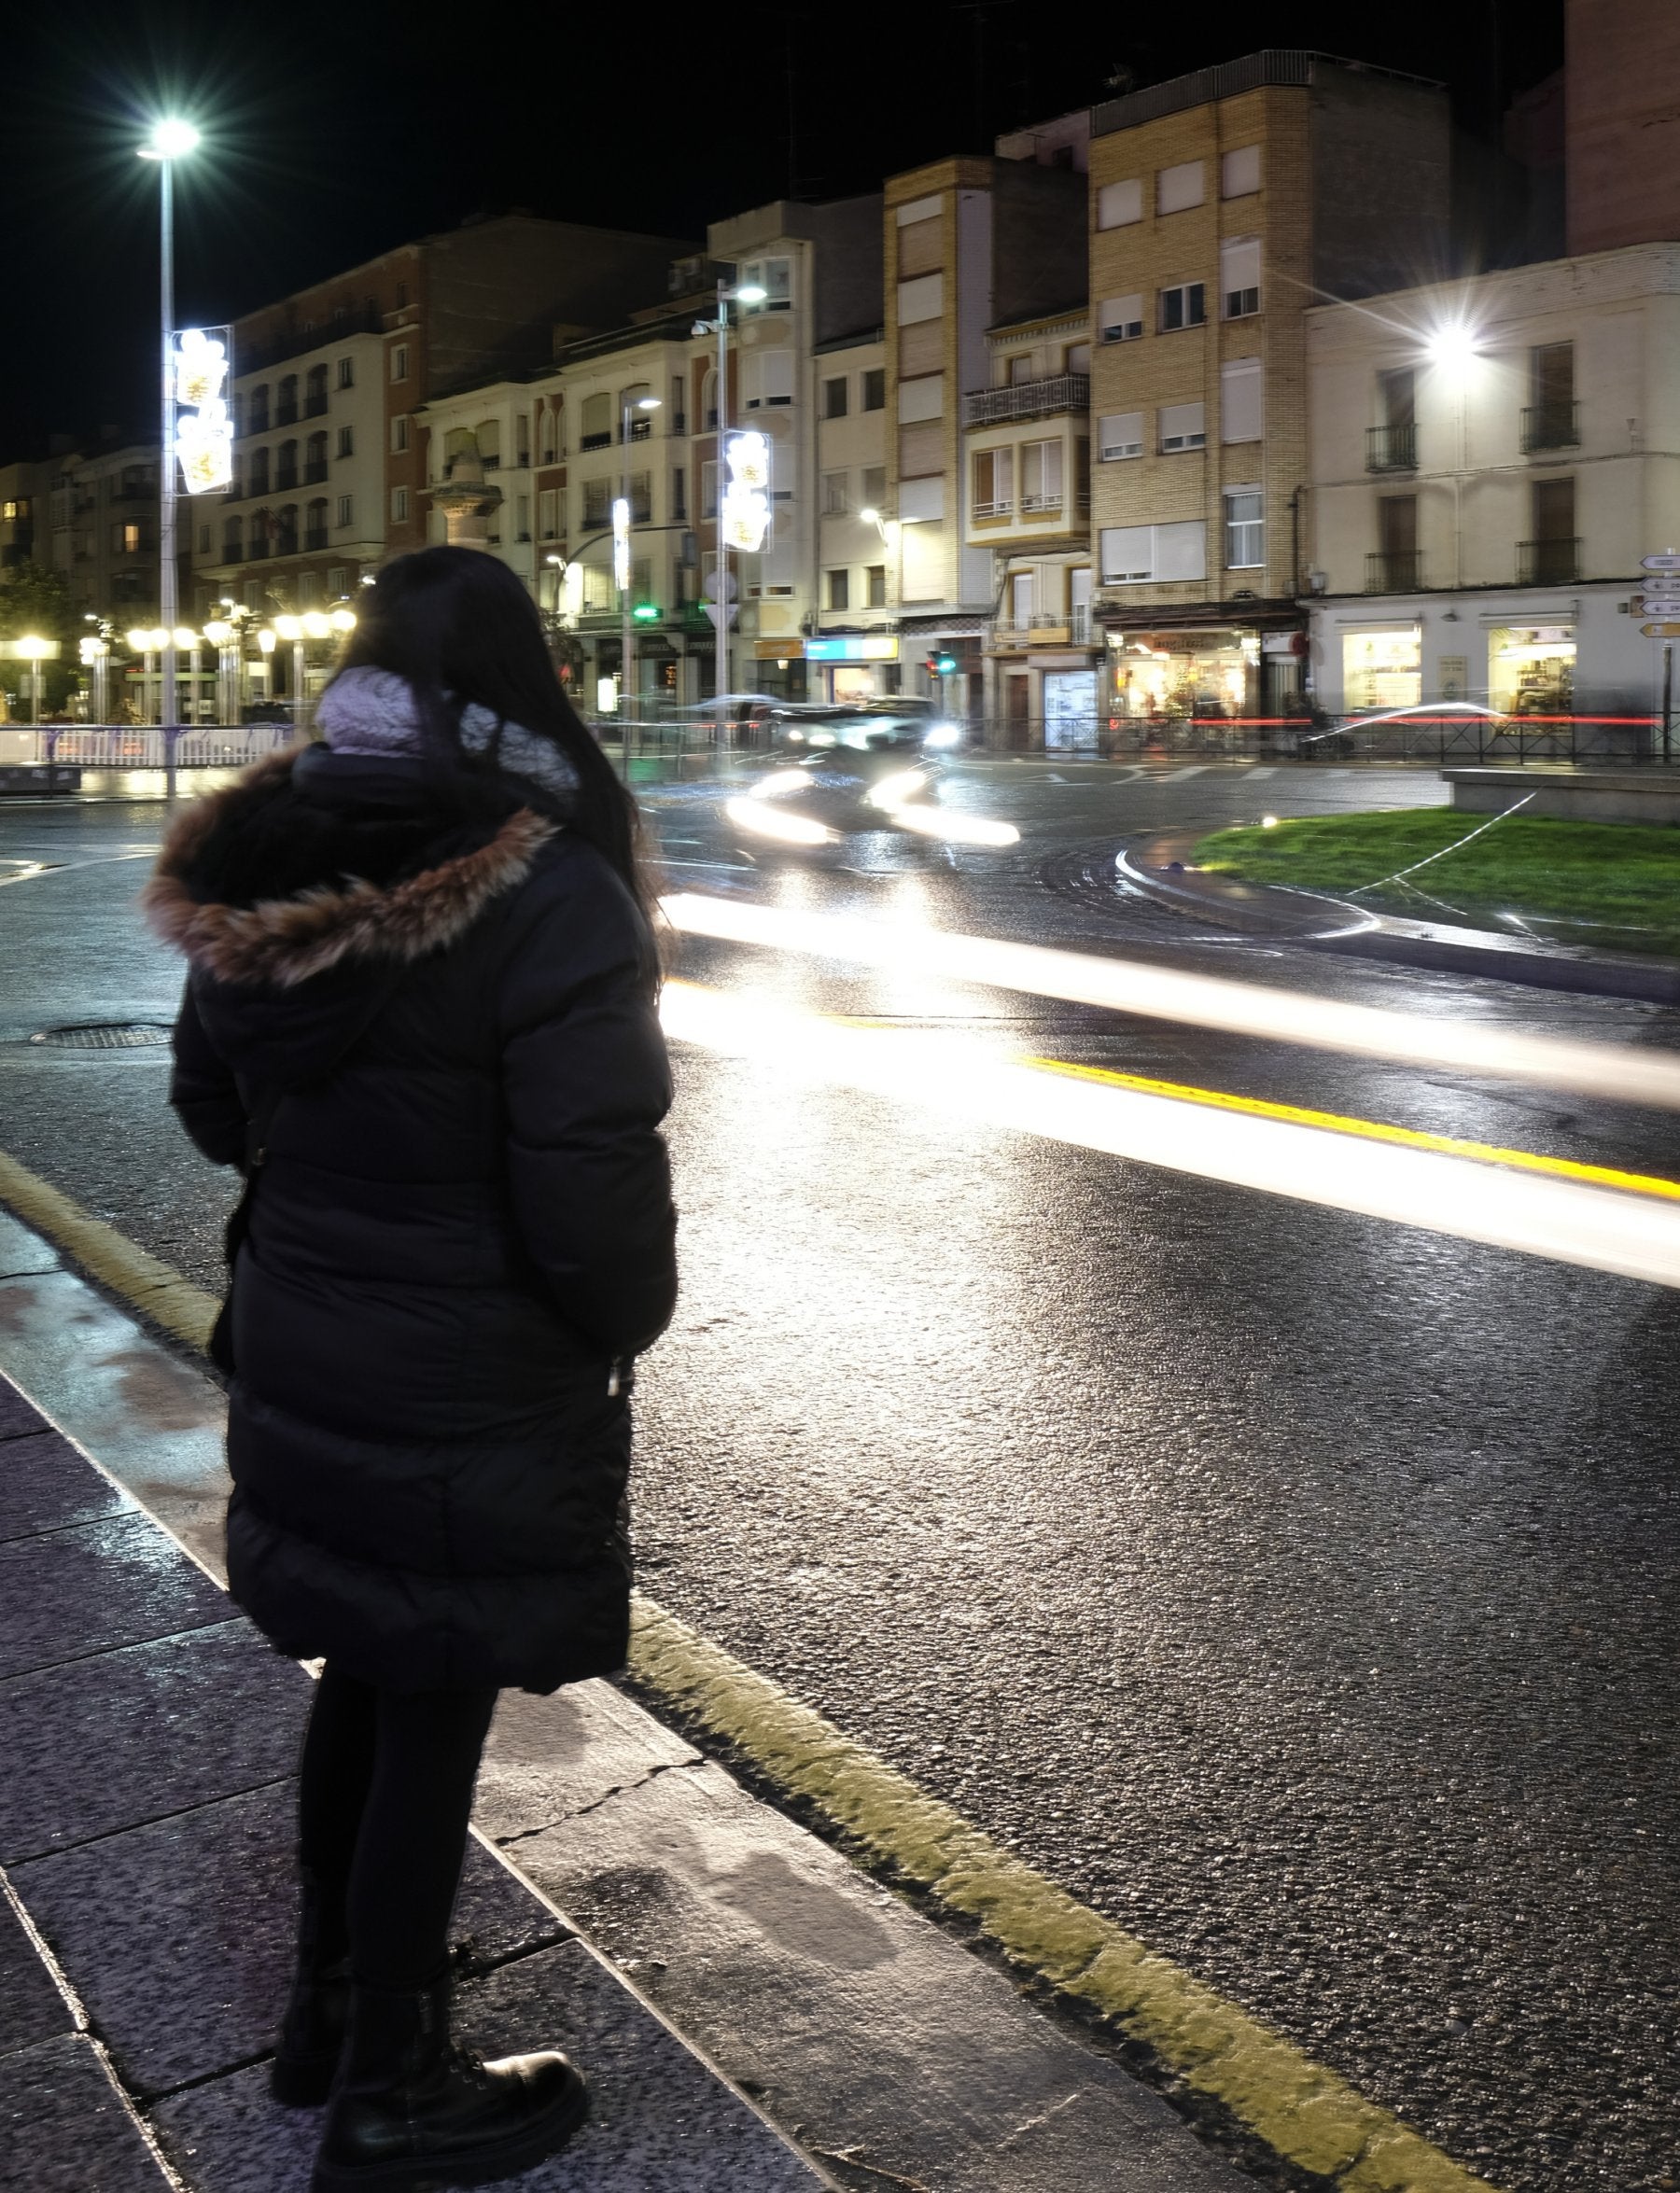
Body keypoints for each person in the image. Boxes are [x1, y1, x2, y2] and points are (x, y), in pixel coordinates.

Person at [144, 546, 679, 2191]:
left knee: (370, 1676)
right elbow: (591, 1179)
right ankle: (395, 2078)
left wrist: (322, 1210)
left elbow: (209, 1100)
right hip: (475, 1365)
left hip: (312, 1335)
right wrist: (620, 1321)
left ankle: (324, 2016)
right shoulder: (554, 886)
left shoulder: (270, 843)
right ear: (531, 681)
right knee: (432, 1694)